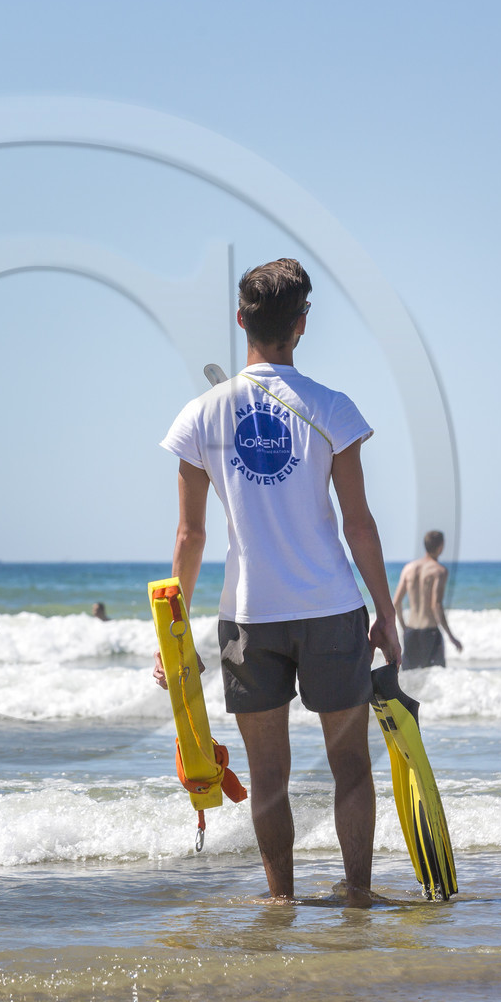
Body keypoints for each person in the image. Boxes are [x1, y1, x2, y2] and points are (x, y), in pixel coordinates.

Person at [155, 257, 400, 905]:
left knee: (269, 776)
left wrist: (171, 635)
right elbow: (360, 524)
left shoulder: (200, 416)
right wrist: (387, 612)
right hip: (330, 608)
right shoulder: (332, 408)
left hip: (247, 617)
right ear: (301, 325)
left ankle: (280, 900)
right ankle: (356, 895)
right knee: (350, 767)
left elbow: (190, 538)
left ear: (242, 320)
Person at [392, 530, 462, 669]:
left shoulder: (408, 568)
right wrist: (451, 636)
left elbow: (396, 602)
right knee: (437, 678)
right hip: (430, 632)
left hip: (410, 632)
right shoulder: (439, 571)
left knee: (411, 680)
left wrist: (403, 627)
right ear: (441, 547)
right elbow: (436, 605)